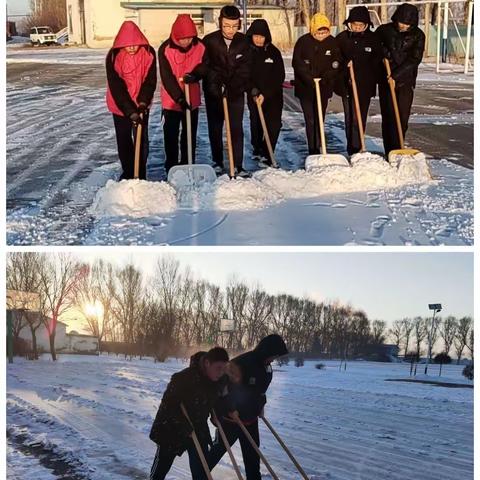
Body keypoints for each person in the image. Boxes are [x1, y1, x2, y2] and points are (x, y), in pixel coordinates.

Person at [207, 334, 289, 479]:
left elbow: (260, 390)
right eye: (273, 356)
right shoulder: (241, 363)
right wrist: (231, 408)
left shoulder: (266, 367)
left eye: (276, 357)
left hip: (250, 420)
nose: (273, 360)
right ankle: (200, 473)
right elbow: (221, 386)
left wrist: (261, 406)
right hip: (231, 420)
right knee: (217, 451)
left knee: (253, 456)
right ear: (266, 351)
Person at [149, 347, 229, 480]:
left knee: (202, 470)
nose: (221, 373)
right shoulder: (183, 378)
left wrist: (217, 416)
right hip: (171, 429)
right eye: (218, 368)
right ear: (207, 363)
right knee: (161, 469)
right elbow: (168, 406)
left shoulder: (219, 380)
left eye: (223, 368)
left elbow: (217, 402)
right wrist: (184, 425)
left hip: (198, 429)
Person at [202, 5, 252, 178]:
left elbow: (245, 69)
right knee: (215, 128)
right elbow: (207, 67)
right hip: (214, 93)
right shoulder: (209, 41)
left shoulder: (244, 42)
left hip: (235, 93)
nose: (230, 30)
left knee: (236, 128)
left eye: (234, 26)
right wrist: (215, 86)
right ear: (220, 23)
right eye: (226, 26)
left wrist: (233, 87)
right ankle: (217, 161)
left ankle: (238, 164)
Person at [106, 21, 157, 180]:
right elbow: (116, 86)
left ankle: (140, 174)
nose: (132, 47)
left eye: (135, 44)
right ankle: (129, 173)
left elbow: (150, 81)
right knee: (124, 140)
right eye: (128, 44)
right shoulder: (114, 56)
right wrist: (129, 111)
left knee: (141, 141)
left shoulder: (148, 53)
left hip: (141, 104)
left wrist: (142, 103)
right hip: (120, 105)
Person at [158, 14, 207, 175]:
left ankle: (188, 164)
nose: (186, 41)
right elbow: (167, 77)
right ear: (175, 36)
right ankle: (171, 166)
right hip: (171, 100)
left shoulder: (200, 46)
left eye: (189, 38)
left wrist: (195, 75)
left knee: (189, 135)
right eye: (182, 38)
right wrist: (179, 98)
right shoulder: (165, 49)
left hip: (192, 99)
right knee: (171, 135)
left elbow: (205, 66)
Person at [376, 3, 425, 156]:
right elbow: (374, 46)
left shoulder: (418, 35)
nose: (403, 26)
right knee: (389, 116)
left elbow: (414, 59)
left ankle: (398, 148)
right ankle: (389, 151)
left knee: (402, 117)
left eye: (407, 24)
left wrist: (395, 75)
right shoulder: (384, 31)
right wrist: (384, 53)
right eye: (401, 22)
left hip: (405, 80)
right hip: (386, 79)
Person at [292, 13, 342, 157]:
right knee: (310, 119)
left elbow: (336, 63)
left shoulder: (332, 42)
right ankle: (312, 150)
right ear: (313, 30)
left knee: (320, 118)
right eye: (318, 32)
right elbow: (298, 63)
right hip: (306, 88)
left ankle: (320, 146)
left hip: (324, 87)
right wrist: (309, 78)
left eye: (324, 31)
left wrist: (327, 77)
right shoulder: (303, 42)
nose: (321, 35)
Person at [336, 6, 383, 156]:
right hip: (346, 85)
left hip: (364, 86)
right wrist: (344, 64)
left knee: (359, 117)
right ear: (350, 23)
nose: (357, 28)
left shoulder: (373, 39)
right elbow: (335, 59)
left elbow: (377, 62)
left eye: (361, 25)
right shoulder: (342, 38)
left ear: (366, 25)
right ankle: (352, 148)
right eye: (355, 24)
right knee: (349, 118)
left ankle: (357, 148)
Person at [246, 19, 285, 168]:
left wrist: (266, 94)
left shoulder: (274, 52)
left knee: (274, 124)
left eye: (261, 36)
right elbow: (244, 73)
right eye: (255, 36)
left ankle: (267, 153)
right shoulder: (247, 51)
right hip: (254, 94)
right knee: (256, 124)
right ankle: (257, 147)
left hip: (273, 95)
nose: (258, 39)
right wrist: (252, 89)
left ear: (266, 37)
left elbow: (279, 75)